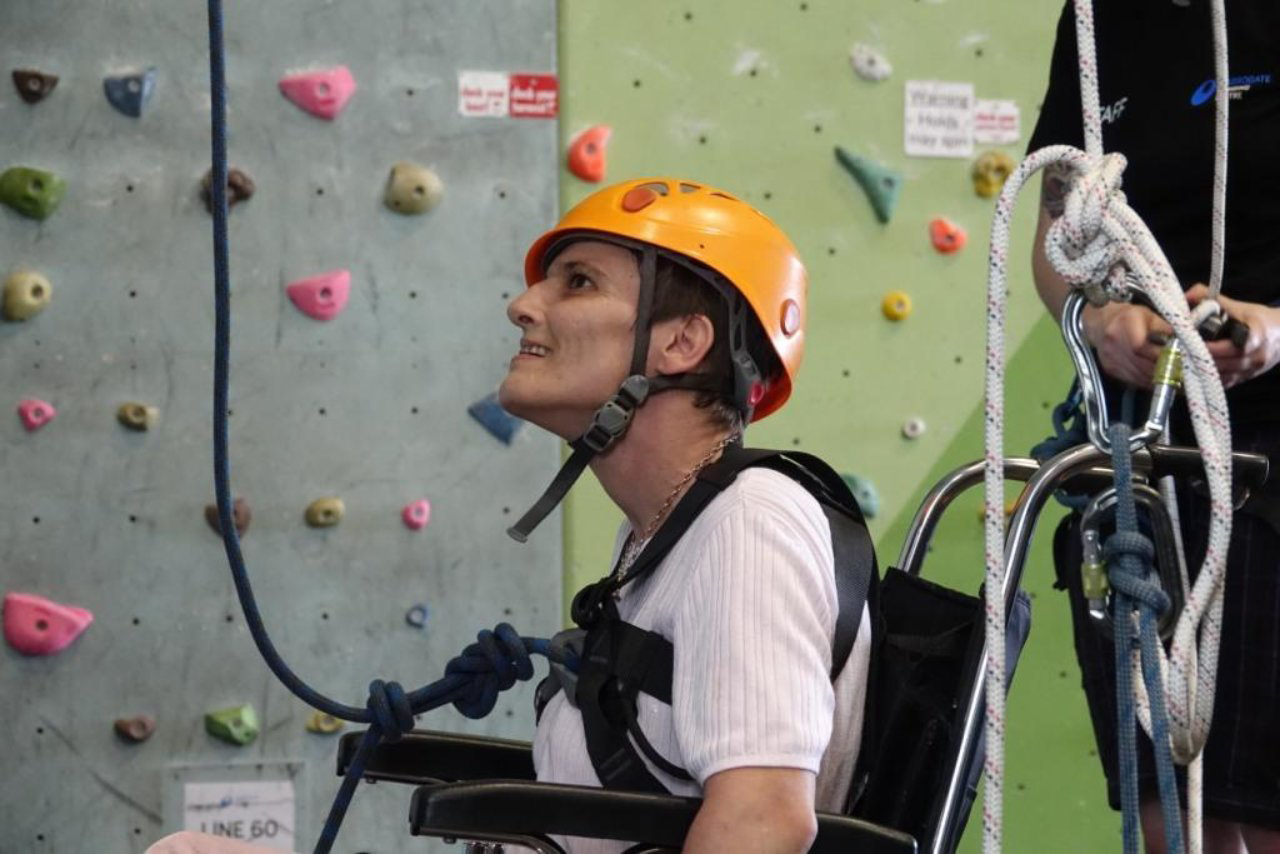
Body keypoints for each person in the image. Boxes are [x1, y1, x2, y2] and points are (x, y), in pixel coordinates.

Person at [148, 177, 871, 854]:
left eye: (578, 282)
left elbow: (764, 823)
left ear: (681, 342)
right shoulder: (662, 538)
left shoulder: (748, 525)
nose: (523, 305)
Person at [1028, 2, 1280, 852]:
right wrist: (1101, 321)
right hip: (1146, 451)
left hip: (1269, 451)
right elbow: (1059, 234)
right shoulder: (1099, 20)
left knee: (1259, 806)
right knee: (1172, 808)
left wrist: (1274, 327)